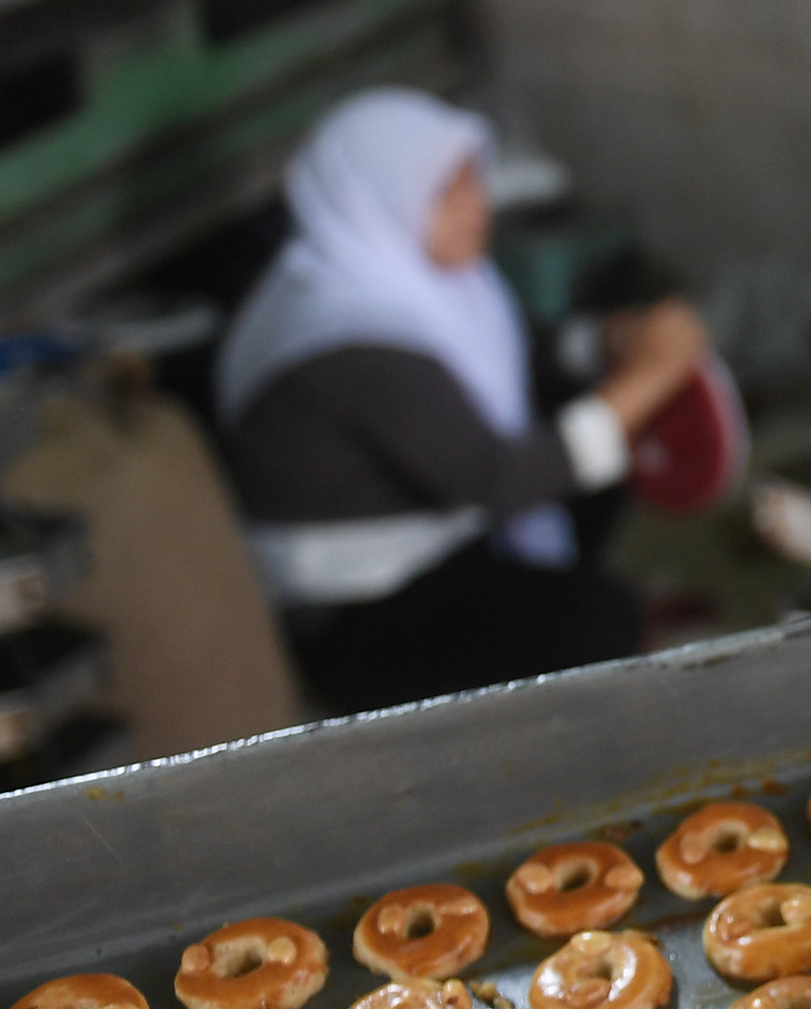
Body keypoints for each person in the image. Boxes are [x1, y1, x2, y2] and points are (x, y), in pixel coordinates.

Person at [217, 88, 707, 715]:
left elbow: (526, 347)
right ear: (382, 198)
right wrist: (647, 377)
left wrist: (612, 340)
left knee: (597, 449)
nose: (482, 207)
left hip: (438, 537)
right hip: (358, 611)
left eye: (477, 181)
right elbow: (500, 478)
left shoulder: (405, 274)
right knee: (597, 619)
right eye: (452, 192)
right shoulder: (344, 335)